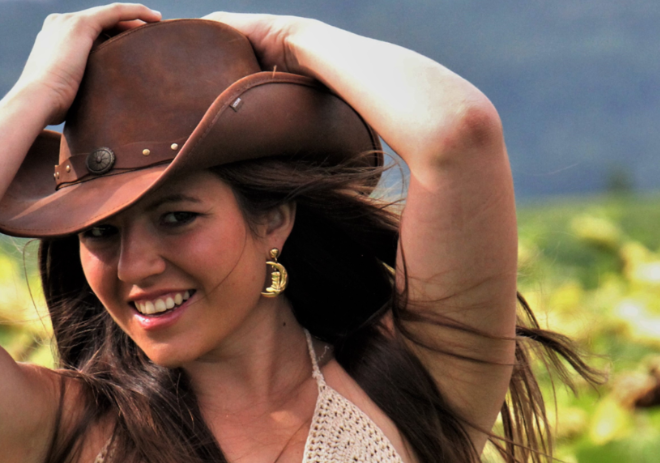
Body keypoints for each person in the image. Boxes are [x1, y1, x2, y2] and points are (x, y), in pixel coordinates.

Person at [0, 4, 600, 463]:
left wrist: (291, 37)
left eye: (177, 218)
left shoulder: (411, 381)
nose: (134, 265)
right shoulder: (65, 427)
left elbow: (457, 134)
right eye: (100, 232)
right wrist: (39, 90)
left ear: (274, 220)